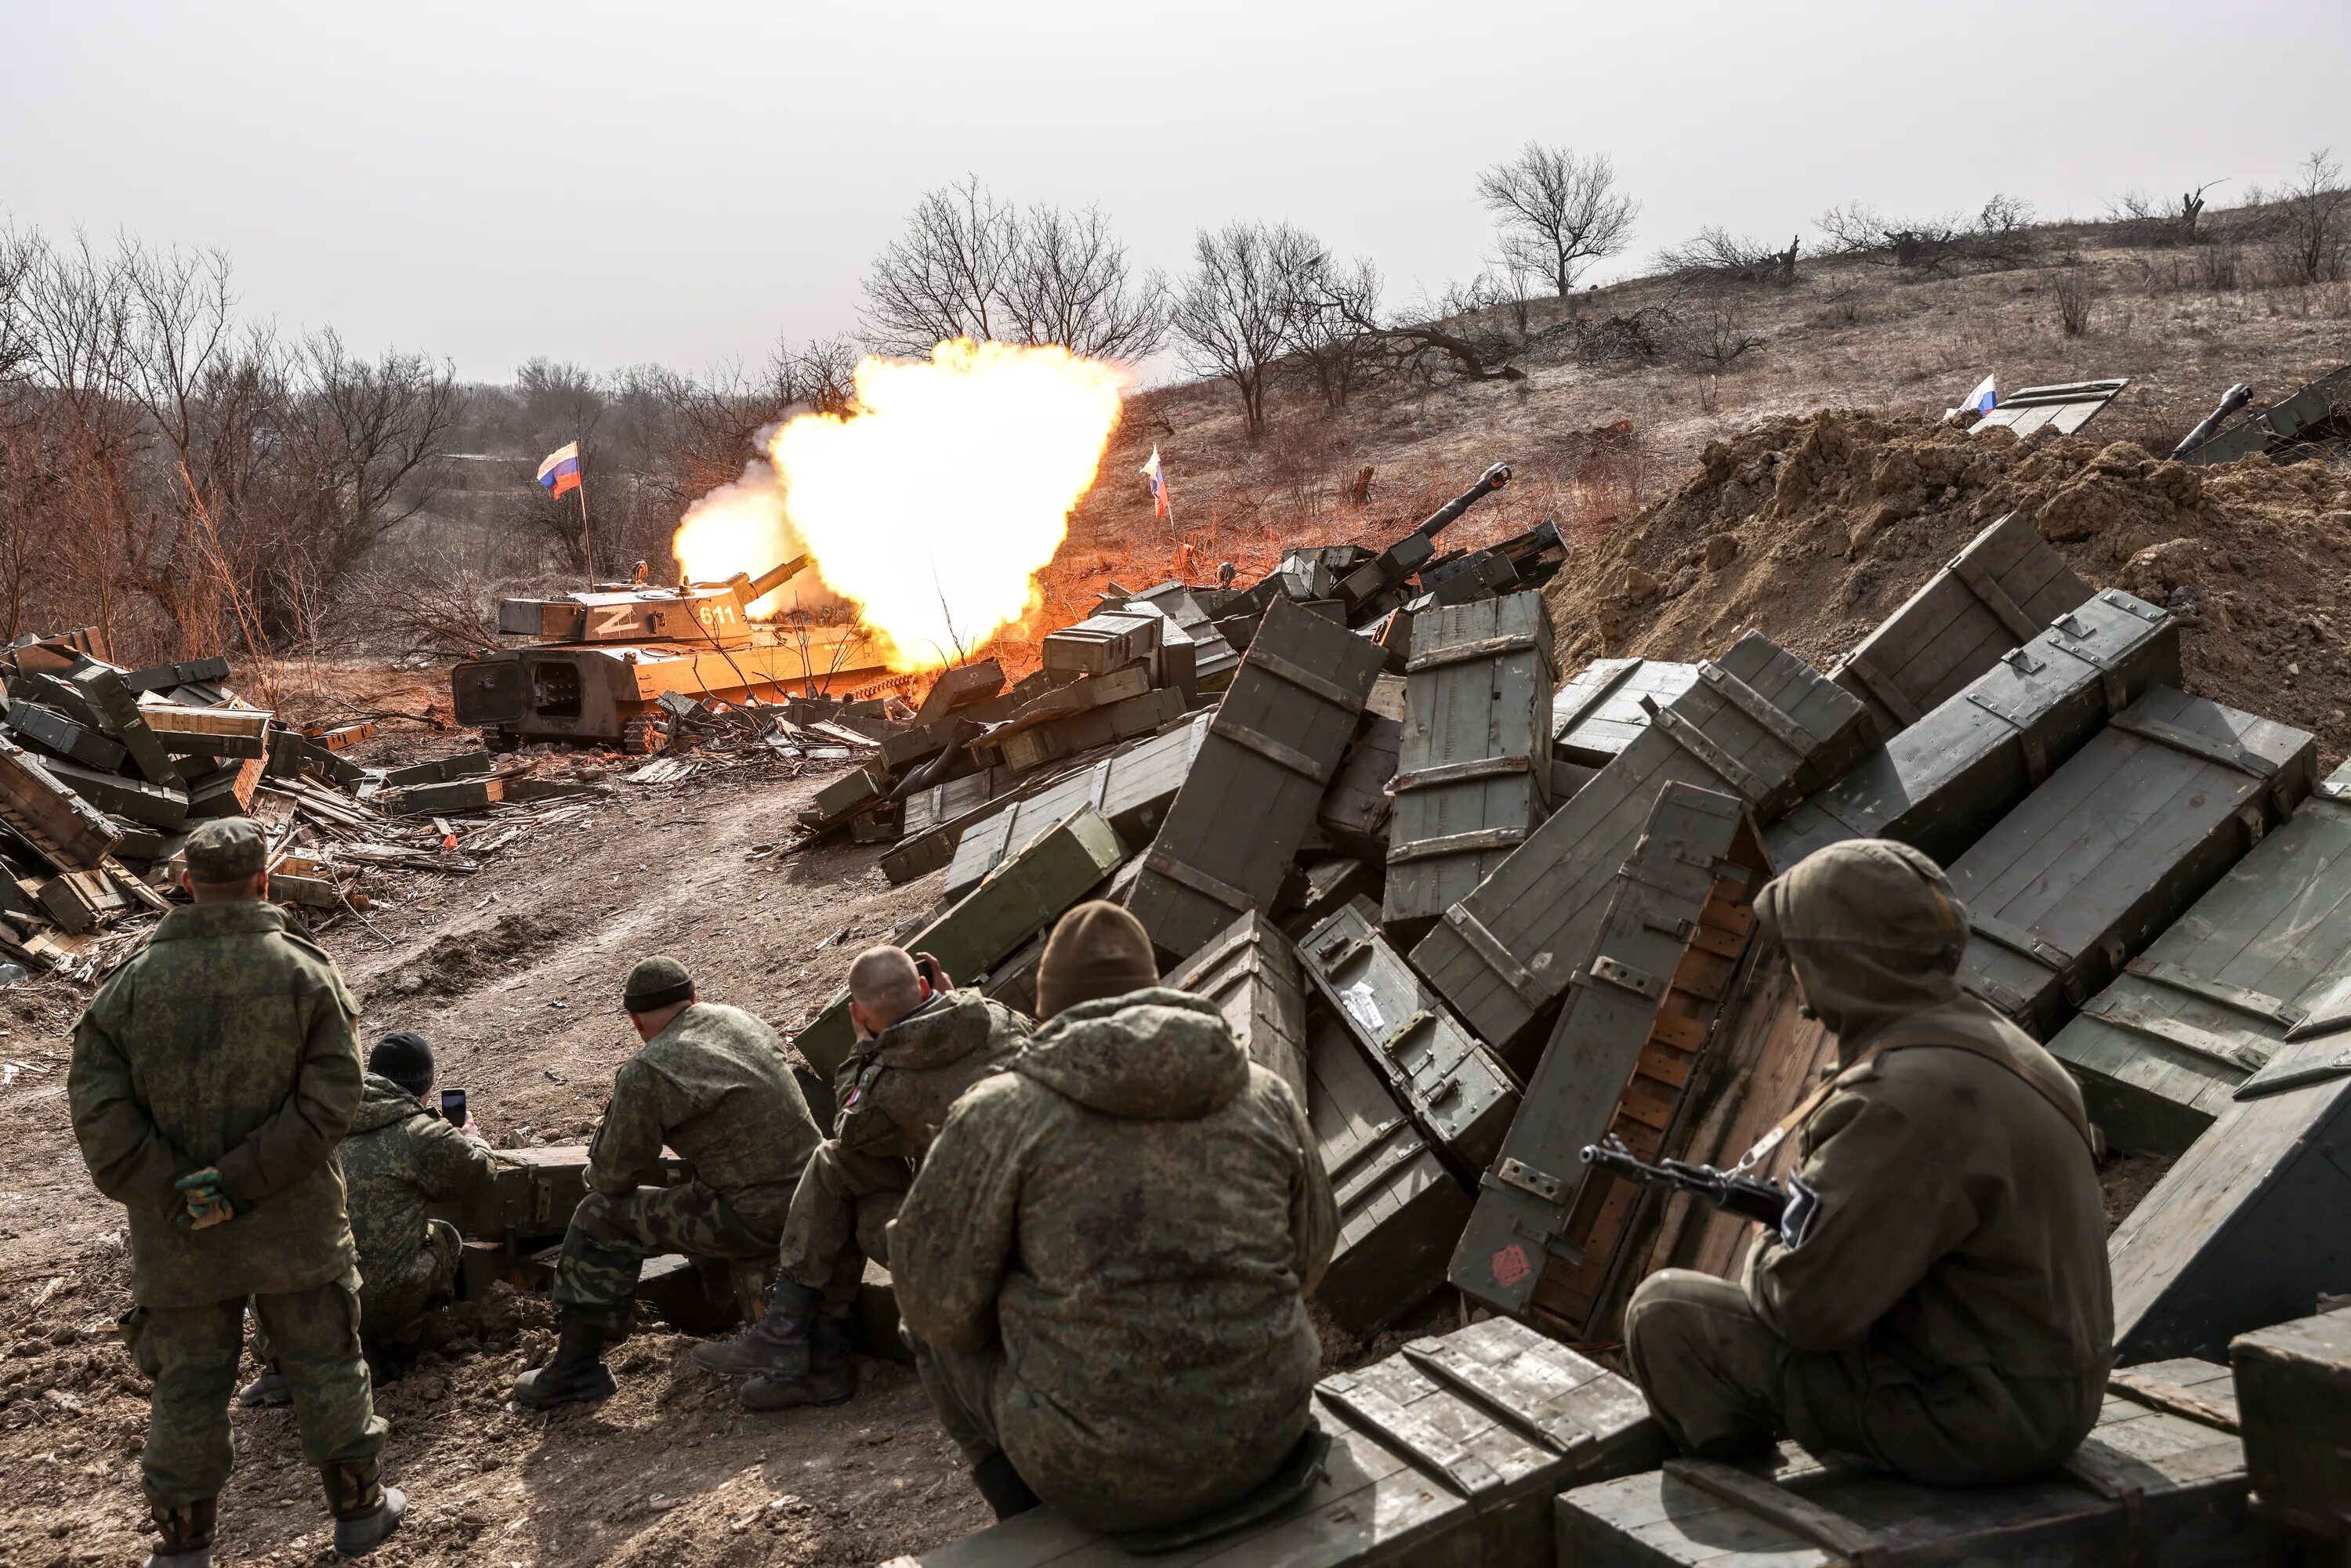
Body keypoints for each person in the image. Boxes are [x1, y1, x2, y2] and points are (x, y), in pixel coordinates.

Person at [1622, 838, 2114, 1486]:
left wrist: (1769, 1241)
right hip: (2046, 1395)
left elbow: (1803, 1309)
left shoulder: (1898, 1102)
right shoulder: (2006, 1049)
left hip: (1977, 1420)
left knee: (1665, 1314)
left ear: (1837, 961)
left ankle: (1752, 1505)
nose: (1793, 972)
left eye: (1800, 953)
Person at [889, 901, 1337, 1528]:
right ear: (1156, 991)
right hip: (1271, 1433)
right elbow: (1312, 1257)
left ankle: (1023, 1516)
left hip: (1092, 1474)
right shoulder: (1263, 1090)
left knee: (924, 1308)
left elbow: (936, 1307)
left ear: (1048, 1010)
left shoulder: (1002, 1113)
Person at [68, 817, 404, 1566]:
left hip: (180, 1241)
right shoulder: (304, 973)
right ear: (264, 881)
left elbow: (100, 1123)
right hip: (294, 1227)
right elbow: (329, 1104)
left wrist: (189, 1193)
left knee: (187, 1385)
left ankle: (185, 1546)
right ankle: (359, 1513)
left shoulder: (126, 991)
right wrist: (242, 1180)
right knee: (325, 1362)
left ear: (186, 882)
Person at [692, 946, 1029, 1410]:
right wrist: (959, 1000)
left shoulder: (889, 1081)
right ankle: (799, 1343)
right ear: (928, 986)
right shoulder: (999, 1016)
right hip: (1041, 1207)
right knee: (843, 1170)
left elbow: (850, 1130)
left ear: (859, 1014)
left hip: (982, 1252)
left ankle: (799, 1340)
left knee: (848, 1183)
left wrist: (863, 1051)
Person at [512, 957, 821, 1408]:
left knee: (598, 1218)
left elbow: (612, 1179)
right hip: (819, 1195)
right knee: (699, 1189)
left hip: (760, 1217)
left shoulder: (649, 1069)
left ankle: (576, 1370)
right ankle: (716, 1297)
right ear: (693, 999)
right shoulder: (742, 1021)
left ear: (636, 1021)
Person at [240, 1031, 494, 1405]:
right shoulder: (422, 1132)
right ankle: (396, 1346)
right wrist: (472, 1138)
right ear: (426, 1087)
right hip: (377, 1302)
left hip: (294, 1310)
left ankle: (287, 1367)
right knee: (446, 1238)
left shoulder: (312, 1119)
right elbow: (480, 1173)